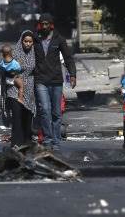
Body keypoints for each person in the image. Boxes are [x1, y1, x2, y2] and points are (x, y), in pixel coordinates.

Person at [33, 13, 76, 151]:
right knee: (44, 110)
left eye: (47, 24)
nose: (44, 26)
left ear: (51, 25)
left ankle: (56, 141)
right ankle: (47, 139)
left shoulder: (59, 40)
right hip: (40, 80)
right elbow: (24, 54)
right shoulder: (34, 39)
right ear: (39, 25)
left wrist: (73, 74)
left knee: (56, 112)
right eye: (42, 24)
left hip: (56, 80)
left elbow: (68, 58)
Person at [9, 30, 38, 147]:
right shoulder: (14, 53)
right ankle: (16, 143)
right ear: (21, 41)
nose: (28, 44)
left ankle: (26, 143)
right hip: (14, 87)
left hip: (29, 88)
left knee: (27, 116)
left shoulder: (35, 53)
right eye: (25, 41)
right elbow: (6, 70)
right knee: (17, 116)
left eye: (30, 42)